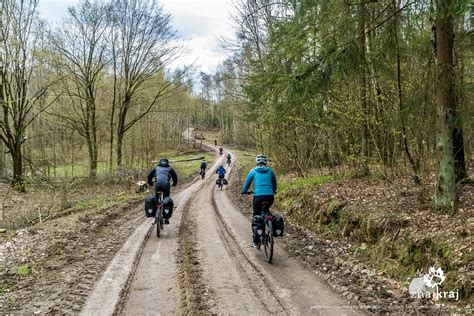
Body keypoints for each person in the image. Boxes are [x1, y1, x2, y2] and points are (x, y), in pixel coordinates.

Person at [241, 155, 277, 248]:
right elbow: (274, 183)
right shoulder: (270, 171)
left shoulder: (253, 171)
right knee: (266, 211)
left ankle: (255, 240)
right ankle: (270, 224)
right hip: (269, 196)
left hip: (258, 197)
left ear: (257, 162)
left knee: (256, 217)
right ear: (265, 163)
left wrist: (244, 191)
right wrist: (273, 190)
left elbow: (247, 183)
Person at [147, 158, 178, 223]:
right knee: (166, 198)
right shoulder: (169, 168)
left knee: (156, 198)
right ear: (167, 163)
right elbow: (175, 177)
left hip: (157, 184)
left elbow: (149, 176)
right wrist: (174, 183)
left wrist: (150, 183)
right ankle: (166, 218)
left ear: (160, 162)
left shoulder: (156, 168)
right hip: (166, 184)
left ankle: (156, 214)